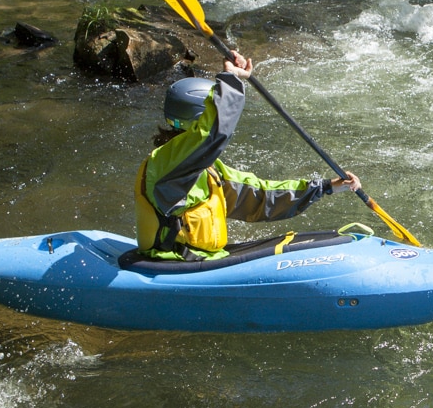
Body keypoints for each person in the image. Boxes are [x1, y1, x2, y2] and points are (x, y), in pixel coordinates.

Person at [135, 54, 360, 260]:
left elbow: (260, 196)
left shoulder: (208, 171)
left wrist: (325, 187)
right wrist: (231, 80)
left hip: (202, 261)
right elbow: (213, 134)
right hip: (174, 263)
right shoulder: (166, 165)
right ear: (199, 119)